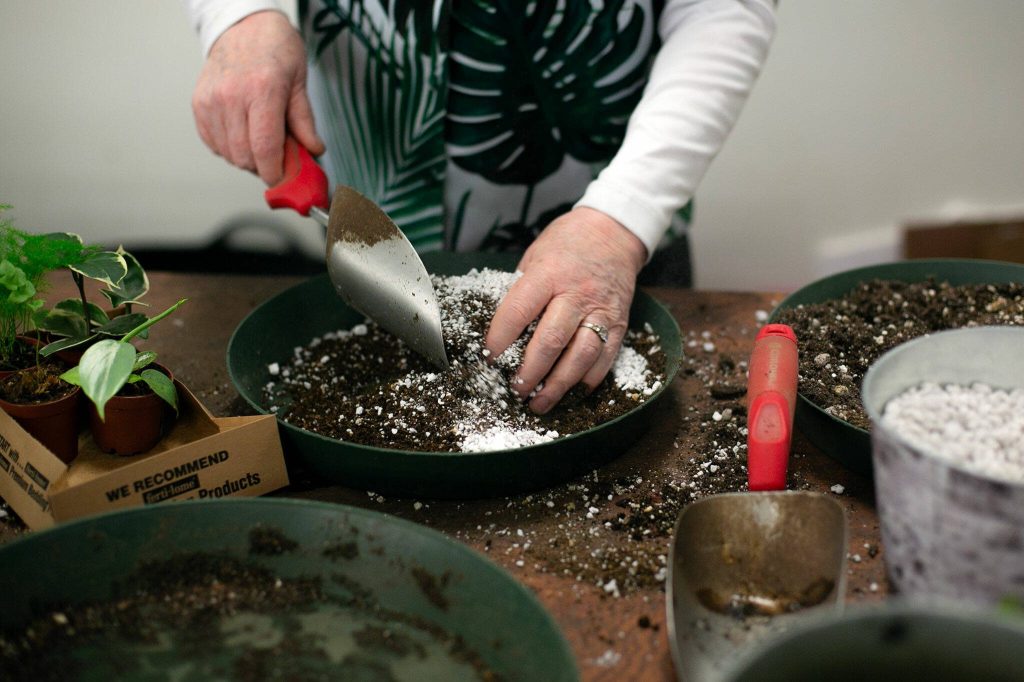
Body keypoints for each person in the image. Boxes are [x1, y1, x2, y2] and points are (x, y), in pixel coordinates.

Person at [182, 0, 775, 414]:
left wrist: (622, 218)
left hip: (614, 236)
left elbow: (723, 8)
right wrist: (237, 16)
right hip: (384, 208)